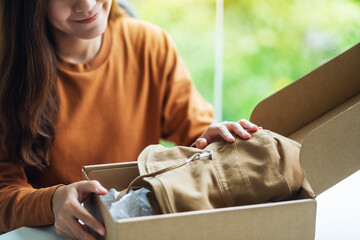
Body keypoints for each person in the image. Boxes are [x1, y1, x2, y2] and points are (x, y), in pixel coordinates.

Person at [0, 0, 259, 239]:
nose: (87, 5)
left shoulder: (149, 45)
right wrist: (51, 202)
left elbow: (195, 131)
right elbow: (4, 192)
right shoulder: (9, 73)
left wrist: (210, 138)